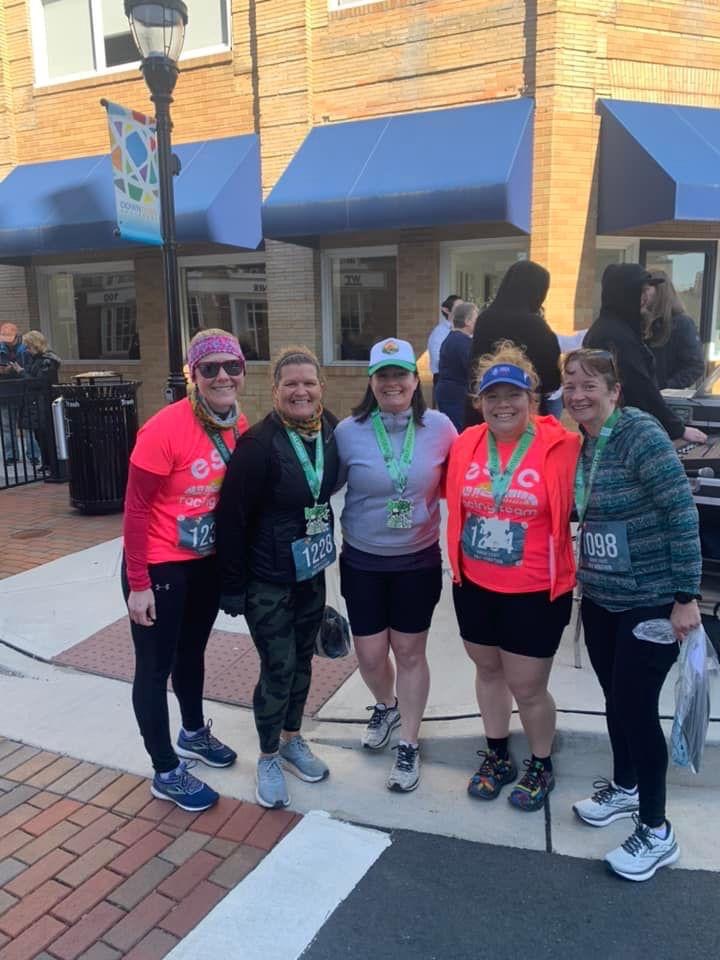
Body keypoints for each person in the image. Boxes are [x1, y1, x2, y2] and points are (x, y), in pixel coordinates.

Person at [562, 348, 701, 881]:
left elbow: (680, 510)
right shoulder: (585, 444)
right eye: (570, 384)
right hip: (601, 595)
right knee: (613, 701)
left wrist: (686, 595)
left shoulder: (639, 434)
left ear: (615, 392)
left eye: (590, 384)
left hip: (651, 595)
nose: (578, 394)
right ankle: (626, 787)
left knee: (636, 707)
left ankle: (657, 830)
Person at [446, 341, 578, 812]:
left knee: (528, 687)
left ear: (532, 399)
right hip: (475, 585)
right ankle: (498, 755)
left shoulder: (561, 445)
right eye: (492, 396)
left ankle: (541, 763)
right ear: (479, 402)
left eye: (513, 395)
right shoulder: (465, 443)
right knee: (487, 672)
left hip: (534, 590)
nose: (503, 405)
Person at [122, 328, 248, 812]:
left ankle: (193, 731)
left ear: (241, 372)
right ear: (192, 376)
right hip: (159, 566)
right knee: (153, 669)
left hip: (204, 563)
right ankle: (164, 769)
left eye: (230, 366)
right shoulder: (163, 429)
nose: (221, 376)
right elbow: (135, 510)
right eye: (209, 368)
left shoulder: (237, 424)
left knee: (191, 653)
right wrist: (138, 584)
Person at [216, 346, 338, 809]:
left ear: (321, 389)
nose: (301, 391)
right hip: (266, 578)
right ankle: (268, 755)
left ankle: (292, 739)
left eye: (309, 383)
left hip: (310, 570)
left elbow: (326, 490)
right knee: (279, 666)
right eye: (291, 384)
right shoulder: (259, 445)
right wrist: (232, 586)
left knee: (304, 661)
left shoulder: (327, 431)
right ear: (276, 391)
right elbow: (231, 518)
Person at [335, 338, 456, 792]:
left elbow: (467, 478)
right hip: (363, 559)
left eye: (400, 374)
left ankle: (408, 740)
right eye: (383, 375)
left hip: (416, 560)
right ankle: (386, 705)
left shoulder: (441, 427)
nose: (392, 383)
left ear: (414, 380)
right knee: (369, 655)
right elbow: (316, 485)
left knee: (409, 652)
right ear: (372, 381)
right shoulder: (348, 431)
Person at [583, 264, 706, 444]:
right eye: (640, 291)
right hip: (624, 434)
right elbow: (640, 388)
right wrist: (678, 428)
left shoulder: (612, 329)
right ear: (626, 294)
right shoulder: (617, 336)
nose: (645, 298)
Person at [466, 261, 561, 426]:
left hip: (485, 409)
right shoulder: (536, 325)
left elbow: (474, 367)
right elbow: (552, 379)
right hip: (524, 414)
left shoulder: (485, 319)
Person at [645, 271, 705, 389]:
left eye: (646, 289)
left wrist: (666, 387)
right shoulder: (643, 321)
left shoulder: (682, 324)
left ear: (660, 291)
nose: (642, 294)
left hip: (664, 399)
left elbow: (695, 366)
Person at [17, 330, 61, 467]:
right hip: (35, 403)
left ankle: (52, 463)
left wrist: (22, 372)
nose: (27, 350)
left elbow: (39, 382)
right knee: (39, 436)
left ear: (35, 345)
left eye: (28, 347)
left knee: (46, 436)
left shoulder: (48, 361)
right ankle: (47, 462)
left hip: (43, 403)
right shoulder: (36, 360)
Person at [436, 301, 479, 430]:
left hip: (447, 391)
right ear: (467, 321)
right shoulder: (463, 342)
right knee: (458, 431)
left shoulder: (450, 339)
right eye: (476, 318)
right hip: (456, 395)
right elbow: (472, 369)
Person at [0, 322, 27, 464]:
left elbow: (31, 370)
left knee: (28, 426)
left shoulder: (26, 349)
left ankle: (33, 456)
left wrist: (19, 369)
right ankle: (11, 456)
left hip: (24, 391)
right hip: (5, 393)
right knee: (7, 427)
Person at [428, 294, 462, 403]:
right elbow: (438, 359)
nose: (463, 310)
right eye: (459, 307)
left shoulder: (466, 331)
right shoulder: (439, 333)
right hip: (445, 379)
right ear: (446, 310)